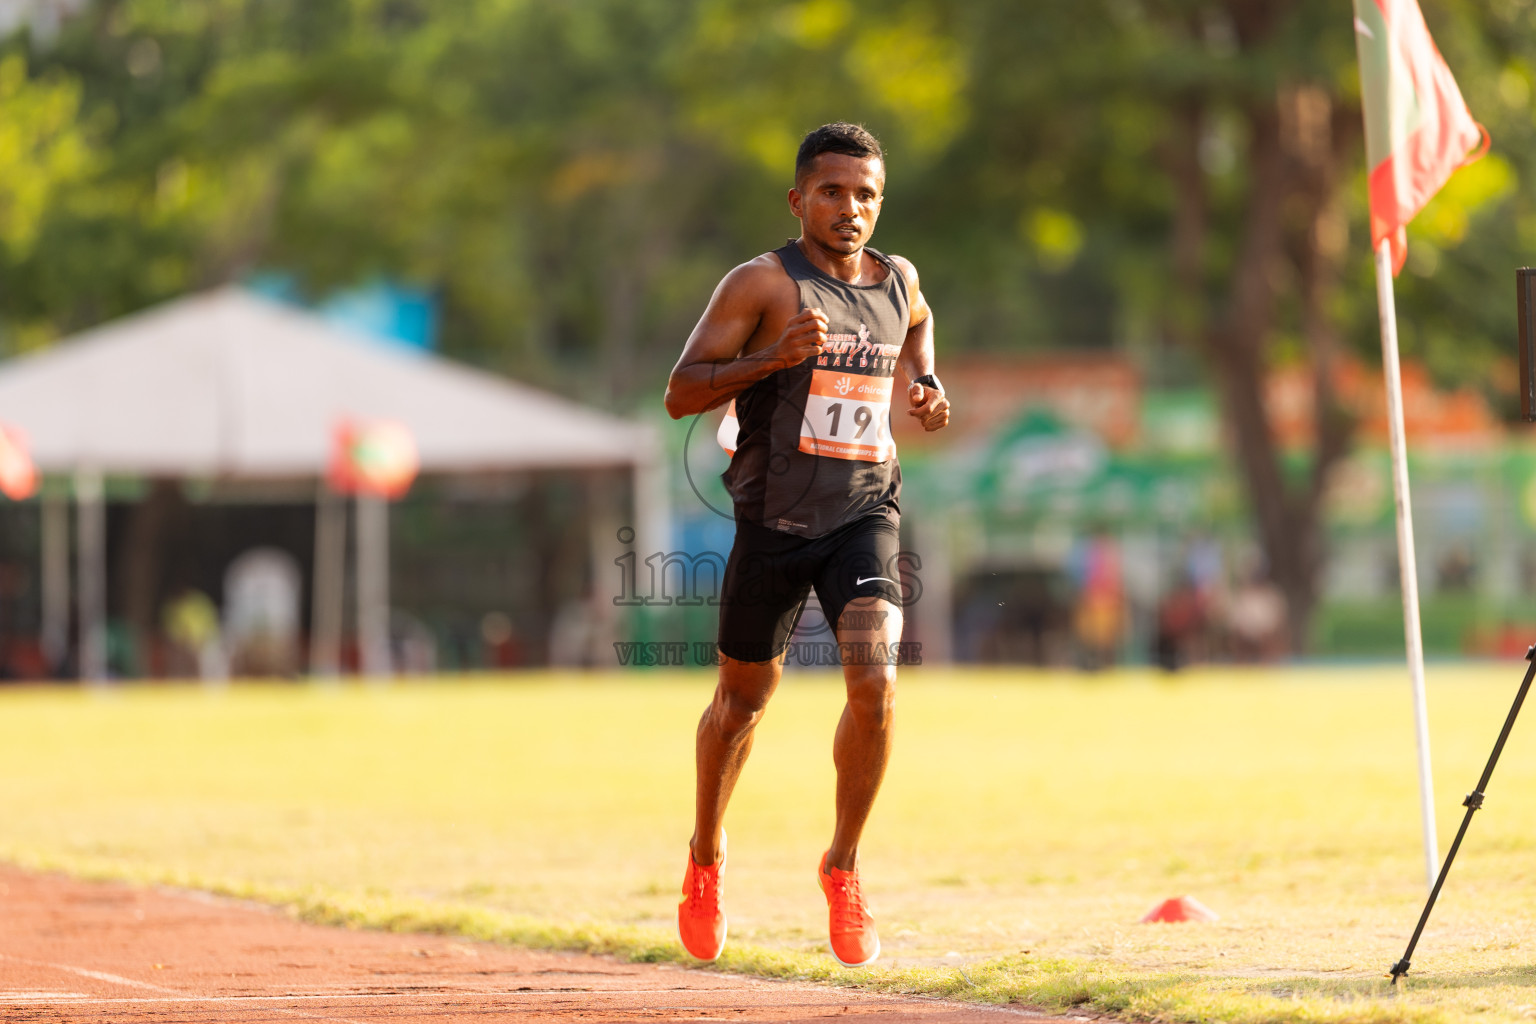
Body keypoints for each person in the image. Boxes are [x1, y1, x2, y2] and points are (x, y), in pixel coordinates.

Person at [663, 122, 951, 967]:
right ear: (798, 200)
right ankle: (706, 857)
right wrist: (771, 359)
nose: (850, 208)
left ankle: (843, 866)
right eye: (832, 191)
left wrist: (925, 383)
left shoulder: (898, 278)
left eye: (866, 194)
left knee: (877, 681)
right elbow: (680, 392)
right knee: (741, 705)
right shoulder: (762, 284)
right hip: (774, 524)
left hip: (865, 514)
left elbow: (922, 324)